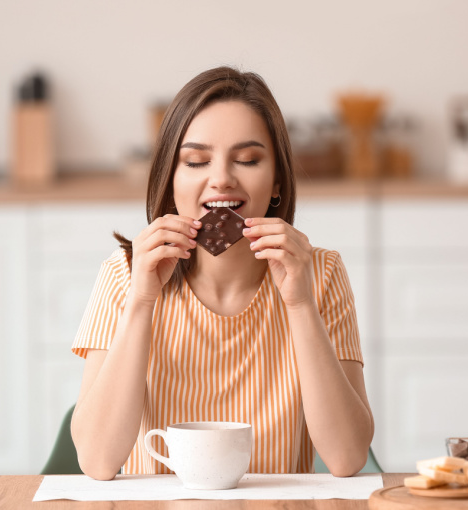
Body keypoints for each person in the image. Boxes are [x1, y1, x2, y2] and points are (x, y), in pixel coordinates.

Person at [70, 66, 374, 480]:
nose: (222, 179)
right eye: (196, 161)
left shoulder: (320, 274)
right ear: (170, 181)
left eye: (247, 159)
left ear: (279, 179)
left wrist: (300, 303)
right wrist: (142, 301)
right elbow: (97, 460)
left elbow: (347, 457)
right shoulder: (124, 274)